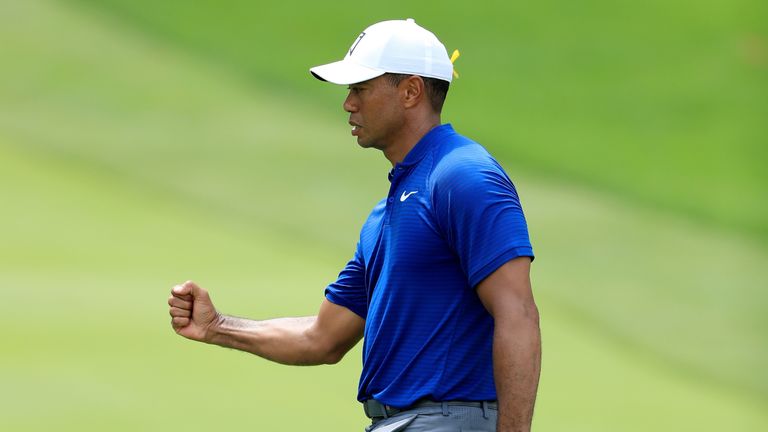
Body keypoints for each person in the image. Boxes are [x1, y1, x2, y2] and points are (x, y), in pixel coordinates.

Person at [168, 18, 541, 432]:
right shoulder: (386, 215)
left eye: (360, 89)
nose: (348, 104)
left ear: (411, 91)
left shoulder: (462, 175)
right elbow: (321, 337)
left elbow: (518, 313)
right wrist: (218, 326)